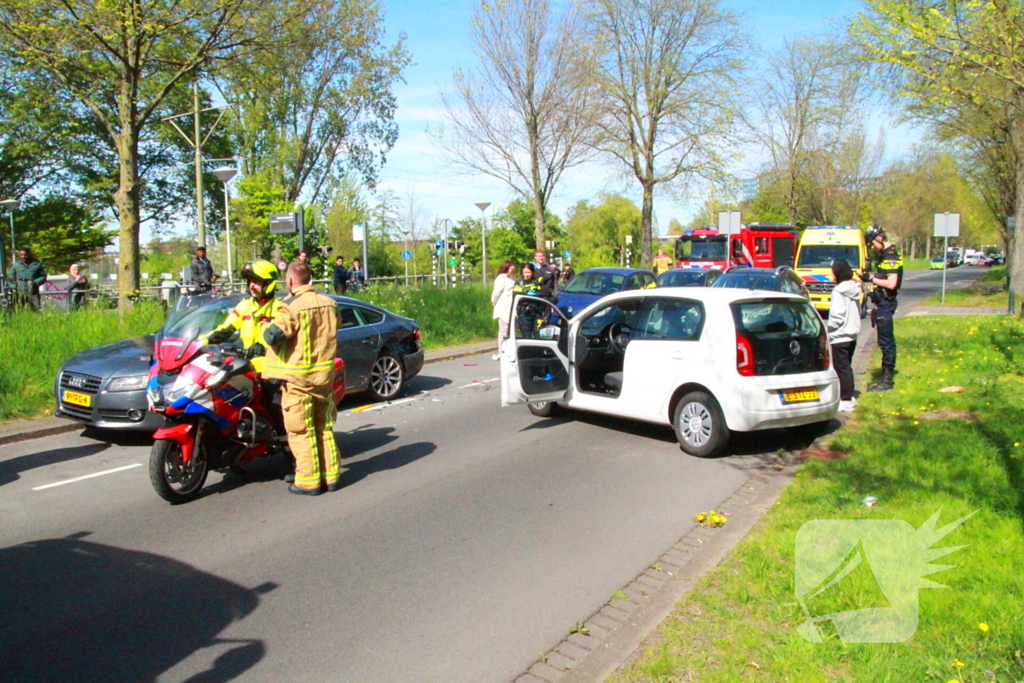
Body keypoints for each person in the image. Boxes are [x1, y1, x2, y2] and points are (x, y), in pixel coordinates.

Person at [261, 261, 341, 496]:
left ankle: (308, 482)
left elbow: (274, 336)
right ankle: (331, 477)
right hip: (324, 377)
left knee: (300, 431)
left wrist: (266, 326)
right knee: (323, 427)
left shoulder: (289, 306)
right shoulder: (330, 303)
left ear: (290, 281)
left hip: (298, 379)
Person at [204, 260, 282, 374]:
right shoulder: (245, 305)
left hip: (272, 370)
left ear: (268, 283)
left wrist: (261, 346)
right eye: (249, 281)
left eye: (256, 281)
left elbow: (275, 335)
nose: (252, 285)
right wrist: (203, 341)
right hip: (248, 366)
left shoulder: (280, 308)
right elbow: (226, 327)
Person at [861, 225, 902, 392]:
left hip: (886, 303)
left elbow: (892, 283)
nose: (871, 247)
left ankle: (887, 380)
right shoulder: (885, 255)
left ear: (879, 239)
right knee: (883, 341)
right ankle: (884, 377)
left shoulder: (890, 256)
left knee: (886, 342)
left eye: (872, 243)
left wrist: (871, 278)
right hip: (881, 303)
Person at [827, 259, 861, 412]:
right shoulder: (854, 288)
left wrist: (829, 328)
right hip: (852, 335)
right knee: (847, 366)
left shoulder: (838, 291)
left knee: (841, 368)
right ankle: (850, 395)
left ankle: (845, 399)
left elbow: (837, 315)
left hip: (840, 335)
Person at [490, 260, 517, 360]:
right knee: (503, 332)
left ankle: (508, 351)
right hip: (503, 309)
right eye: (511, 267)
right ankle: (501, 352)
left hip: (511, 309)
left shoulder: (510, 279)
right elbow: (496, 292)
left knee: (509, 332)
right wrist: (494, 301)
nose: (513, 269)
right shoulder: (501, 278)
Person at [512, 262, 544, 335]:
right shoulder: (519, 282)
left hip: (536, 312)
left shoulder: (536, 282)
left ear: (532, 272)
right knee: (526, 336)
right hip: (524, 313)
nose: (526, 275)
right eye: (525, 272)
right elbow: (516, 296)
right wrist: (526, 295)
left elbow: (540, 294)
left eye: (528, 272)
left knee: (538, 336)